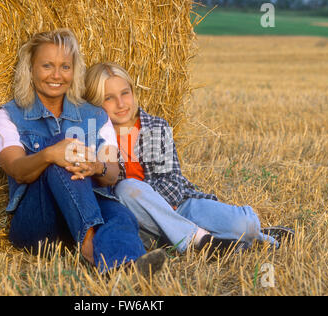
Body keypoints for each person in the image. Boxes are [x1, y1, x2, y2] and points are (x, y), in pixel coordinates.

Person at [0, 29, 166, 274]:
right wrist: (49, 155)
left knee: (120, 214)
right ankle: (91, 247)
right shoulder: (9, 116)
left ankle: (126, 269)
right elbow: (18, 171)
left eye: (65, 67)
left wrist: (97, 167)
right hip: (39, 224)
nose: (57, 75)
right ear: (30, 69)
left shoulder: (94, 114)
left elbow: (112, 174)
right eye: (47, 66)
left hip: (93, 203)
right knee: (62, 146)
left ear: (74, 71)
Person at [84, 62, 294, 257]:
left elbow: (172, 184)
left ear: (133, 92)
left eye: (125, 93)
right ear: (94, 102)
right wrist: (146, 204)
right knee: (127, 189)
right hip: (138, 220)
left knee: (245, 225)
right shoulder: (94, 136)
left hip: (181, 206)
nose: (120, 103)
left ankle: (250, 235)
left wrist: (160, 210)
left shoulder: (155, 127)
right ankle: (204, 239)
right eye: (108, 98)